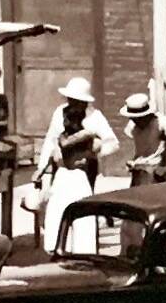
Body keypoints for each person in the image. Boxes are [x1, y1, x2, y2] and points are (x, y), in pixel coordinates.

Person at [31, 77, 118, 248]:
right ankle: (58, 247)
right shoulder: (60, 113)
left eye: (77, 100)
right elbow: (51, 140)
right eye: (71, 99)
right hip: (62, 167)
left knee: (83, 207)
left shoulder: (95, 117)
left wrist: (95, 151)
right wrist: (41, 168)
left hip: (85, 169)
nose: (73, 103)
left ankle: (83, 249)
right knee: (58, 207)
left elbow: (112, 143)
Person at [122, 93, 166, 187]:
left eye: (138, 119)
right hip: (138, 170)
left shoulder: (161, 123)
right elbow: (140, 148)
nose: (136, 121)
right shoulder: (133, 126)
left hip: (155, 171)